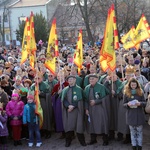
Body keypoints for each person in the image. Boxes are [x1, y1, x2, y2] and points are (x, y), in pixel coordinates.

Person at [84, 74, 109, 146]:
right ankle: (93, 139)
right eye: (90, 79)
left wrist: (96, 101)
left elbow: (104, 98)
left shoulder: (101, 87)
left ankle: (105, 140)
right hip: (90, 108)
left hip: (100, 108)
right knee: (91, 124)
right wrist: (86, 109)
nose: (91, 80)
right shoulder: (87, 88)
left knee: (102, 123)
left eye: (93, 79)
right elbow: (85, 99)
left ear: (97, 79)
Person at [61, 75, 86, 147]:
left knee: (79, 126)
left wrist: (73, 106)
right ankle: (68, 141)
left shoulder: (79, 89)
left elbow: (81, 100)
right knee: (69, 127)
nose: (70, 80)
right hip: (68, 111)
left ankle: (82, 141)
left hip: (77, 111)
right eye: (69, 80)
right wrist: (68, 106)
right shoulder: (65, 89)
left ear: (75, 80)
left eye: (71, 79)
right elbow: (63, 100)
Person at [123, 78, 146, 150]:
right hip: (130, 115)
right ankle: (134, 146)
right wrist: (128, 104)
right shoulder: (126, 93)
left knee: (139, 132)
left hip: (139, 115)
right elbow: (124, 104)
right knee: (132, 132)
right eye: (132, 85)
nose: (133, 86)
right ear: (129, 85)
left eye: (134, 85)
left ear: (137, 85)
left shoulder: (140, 92)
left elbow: (145, 103)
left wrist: (140, 103)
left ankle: (139, 146)